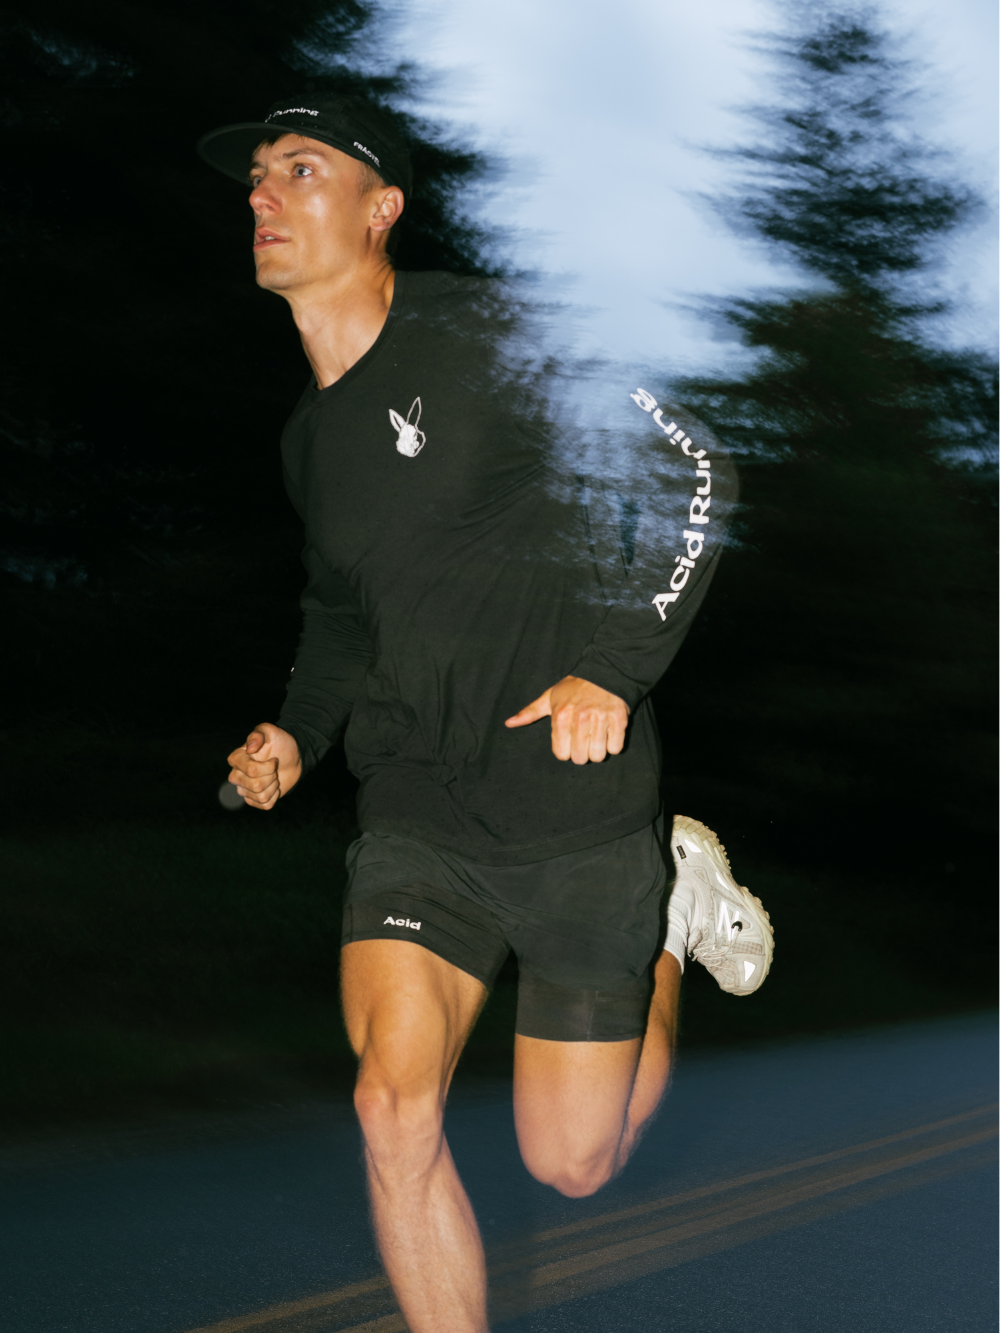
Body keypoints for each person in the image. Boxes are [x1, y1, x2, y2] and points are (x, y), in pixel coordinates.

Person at [199, 95, 774, 1333]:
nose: (262, 195)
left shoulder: (487, 331)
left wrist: (616, 668)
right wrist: (297, 729)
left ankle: (673, 907)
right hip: (416, 807)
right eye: (255, 176)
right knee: (390, 1109)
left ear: (380, 206)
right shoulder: (308, 440)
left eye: (300, 170)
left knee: (573, 1162)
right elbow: (340, 613)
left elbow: (694, 465)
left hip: (574, 800)